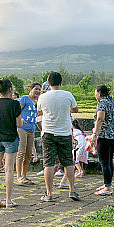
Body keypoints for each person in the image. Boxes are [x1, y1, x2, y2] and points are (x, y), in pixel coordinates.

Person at [36, 71, 80, 202]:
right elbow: (75, 109)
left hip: (48, 132)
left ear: (48, 84)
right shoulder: (68, 95)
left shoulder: (43, 97)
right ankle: (72, 190)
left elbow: (40, 112)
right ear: (61, 83)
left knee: (48, 163)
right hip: (65, 132)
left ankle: (49, 194)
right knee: (68, 162)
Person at [0, 79, 23, 208]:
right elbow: (18, 124)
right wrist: (22, 122)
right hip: (11, 139)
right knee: (8, 169)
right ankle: (8, 200)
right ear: (10, 89)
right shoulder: (15, 104)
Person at [90, 84, 114, 196]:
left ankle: (108, 187)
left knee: (104, 162)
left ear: (99, 93)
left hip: (104, 136)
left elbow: (100, 119)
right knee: (109, 160)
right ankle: (108, 183)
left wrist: (94, 134)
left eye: (95, 93)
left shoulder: (102, 103)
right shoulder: (113, 102)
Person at [16, 82, 40, 186]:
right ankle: (19, 176)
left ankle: (24, 175)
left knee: (28, 153)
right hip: (22, 128)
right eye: (36, 89)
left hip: (32, 129)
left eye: (39, 89)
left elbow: (37, 117)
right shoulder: (24, 99)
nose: (37, 91)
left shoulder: (37, 102)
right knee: (21, 152)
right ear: (30, 89)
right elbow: (17, 111)